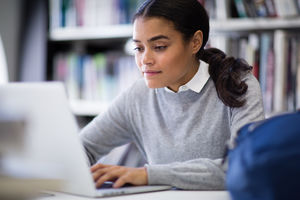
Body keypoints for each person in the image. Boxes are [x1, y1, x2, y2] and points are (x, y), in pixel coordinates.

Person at [79, 0, 264, 190]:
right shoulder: (137, 95)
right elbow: (81, 148)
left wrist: (149, 174)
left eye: (159, 47)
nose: (145, 60)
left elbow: (245, 165)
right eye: (139, 48)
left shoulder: (239, 85)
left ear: (195, 42)